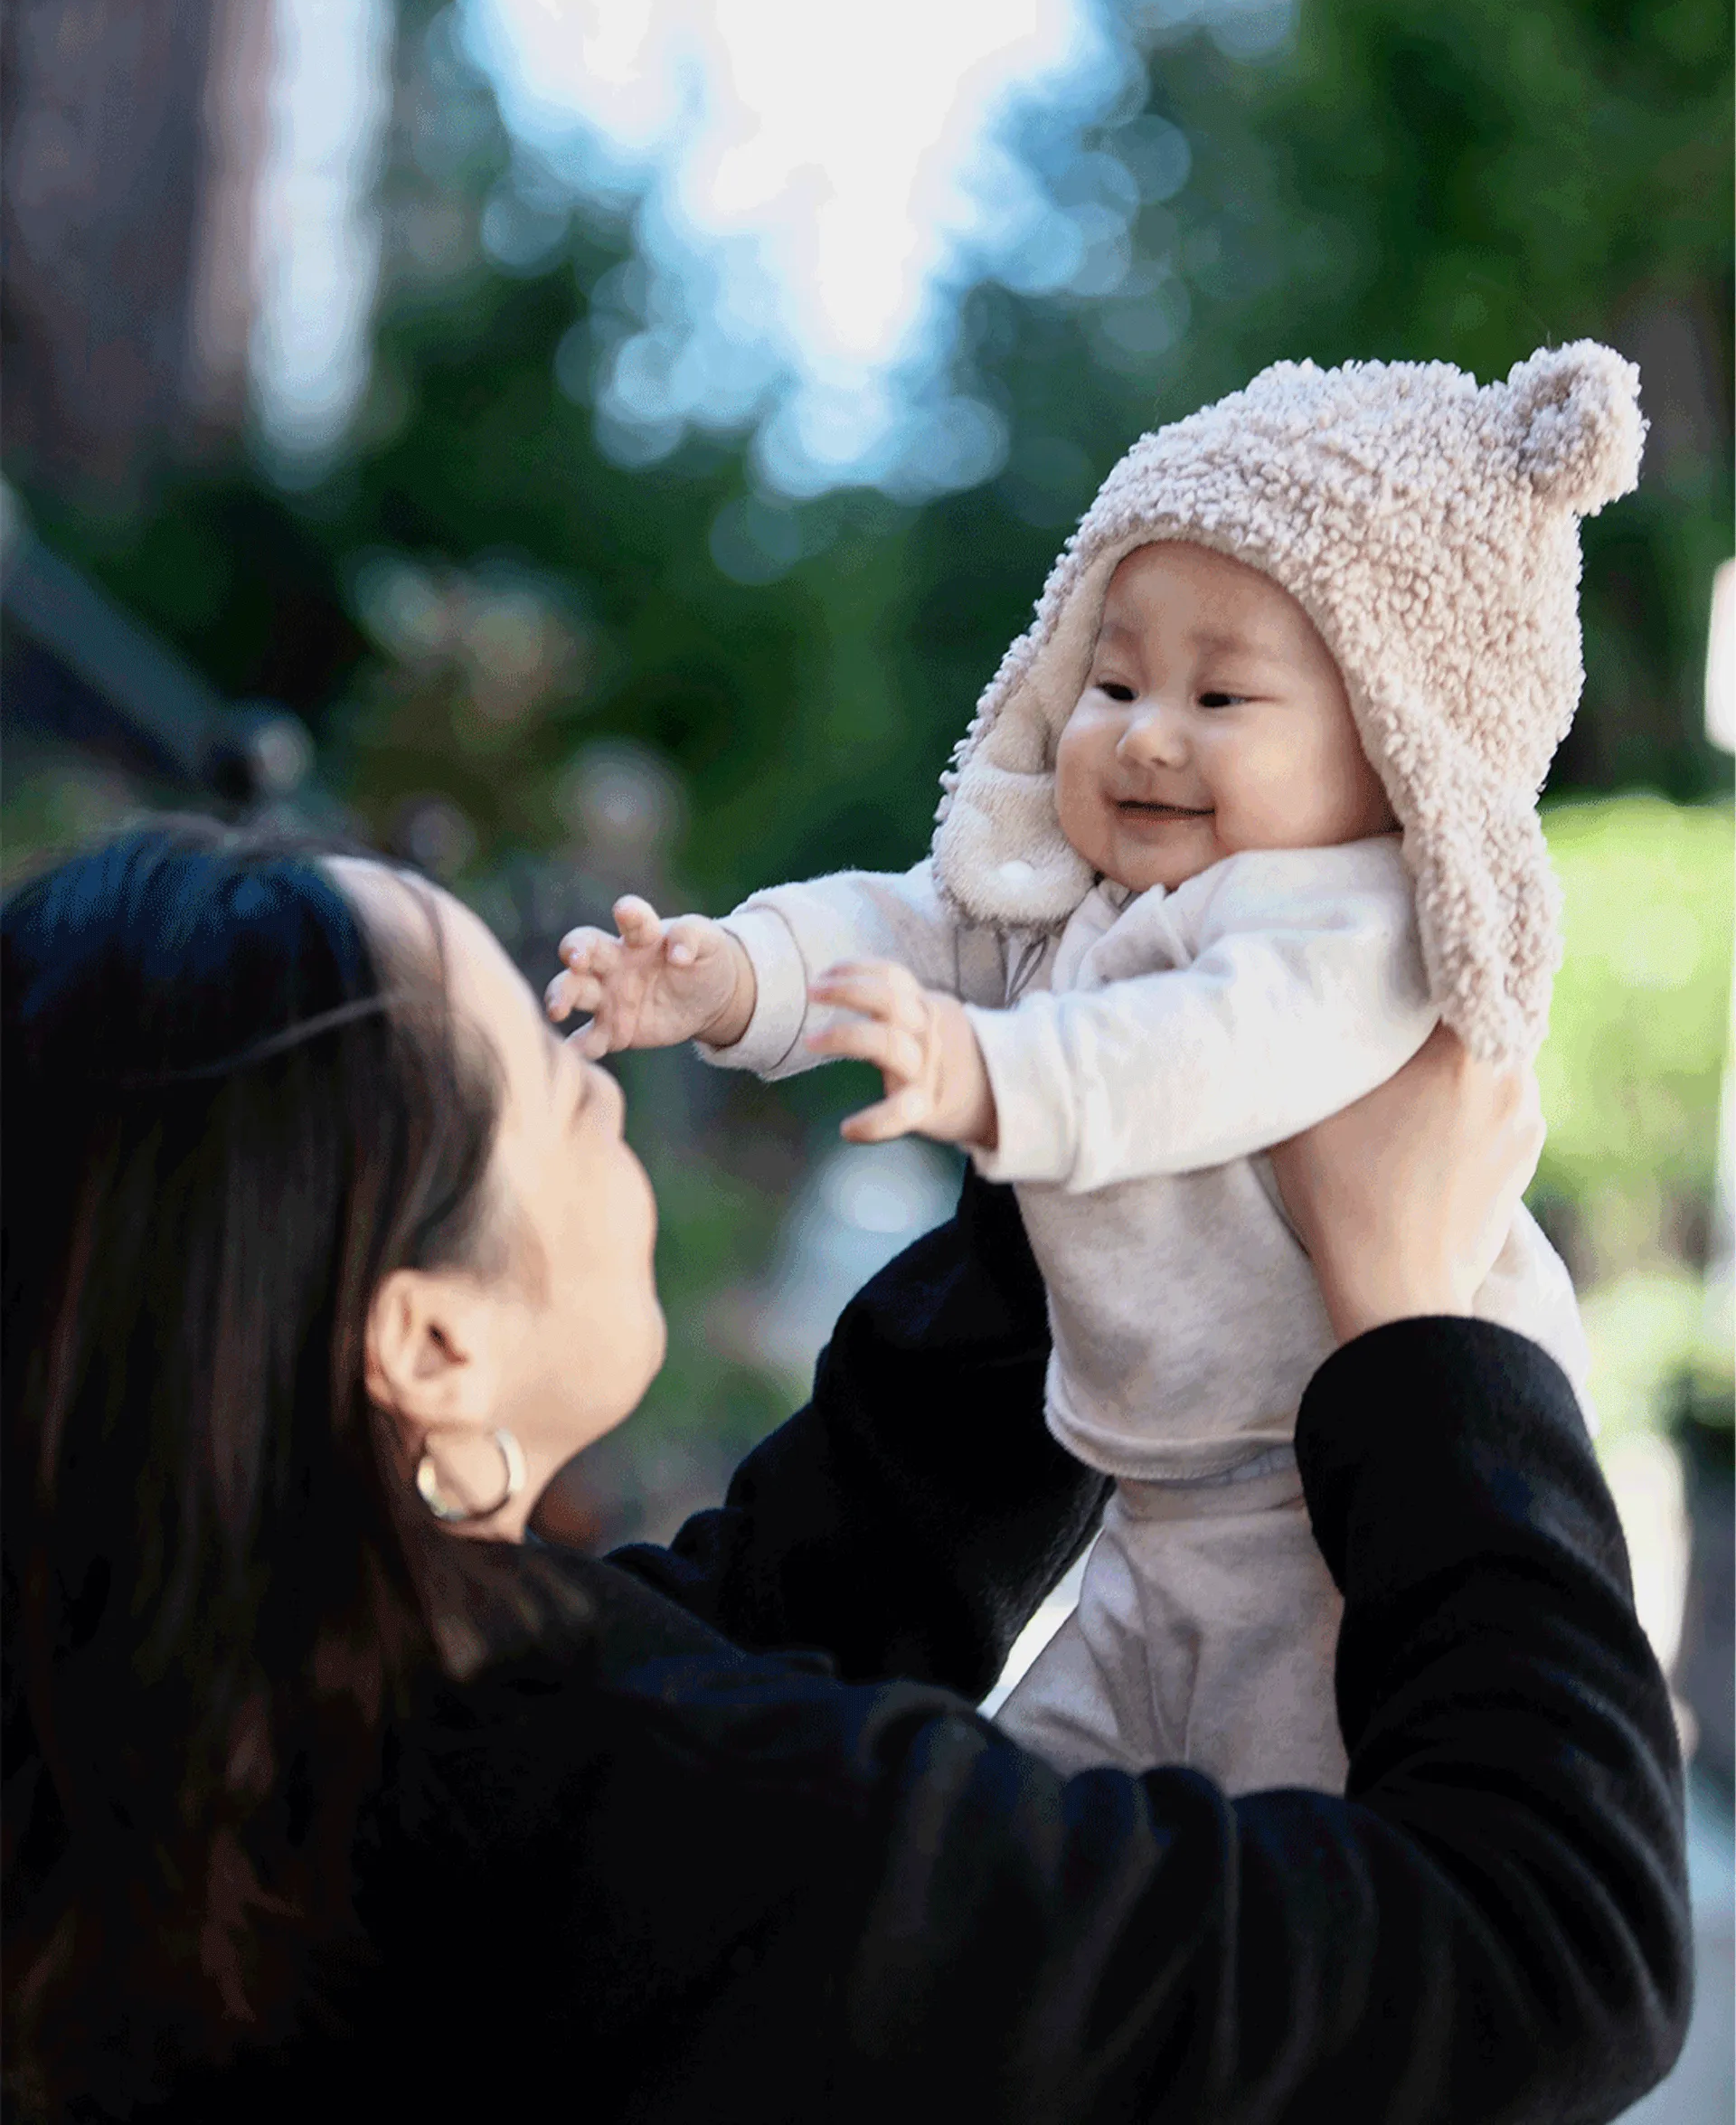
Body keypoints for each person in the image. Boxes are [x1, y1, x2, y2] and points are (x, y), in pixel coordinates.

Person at [2, 819, 1688, 2123]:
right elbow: (1547, 1952)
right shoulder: (636, 1828)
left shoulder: (235, 1745)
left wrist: (1126, 1128)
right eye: (529, 1064)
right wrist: (1415, 1317)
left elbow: (809, 1597)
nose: (590, 1079)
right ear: (426, 1345)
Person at [547, 341, 1639, 1793]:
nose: (1144, 737)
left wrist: (998, 1076)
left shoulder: (1353, 918)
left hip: (1339, 1529)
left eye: (1222, 700)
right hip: (1155, 1517)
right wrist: (738, 973)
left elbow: (1208, 1052)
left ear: (1395, 741)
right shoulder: (1091, 915)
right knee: (1030, 1796)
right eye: (1113, 680)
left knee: (1288, 1873)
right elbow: (915, 926)